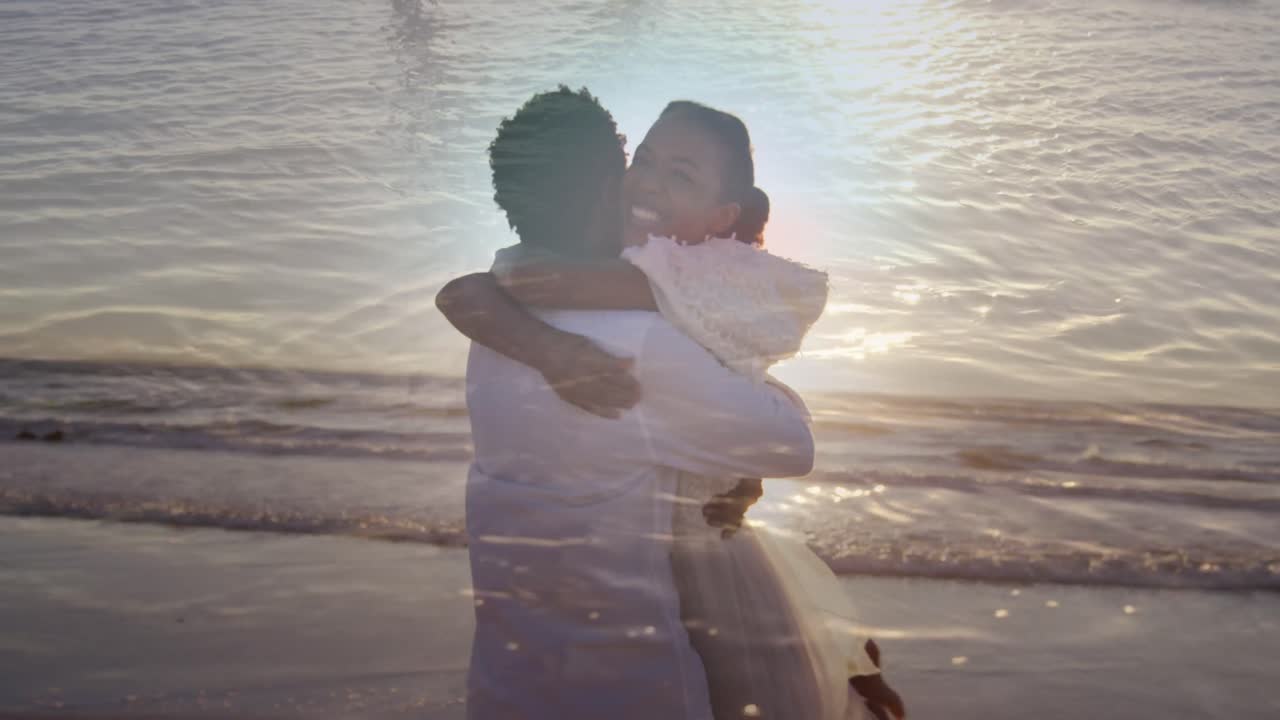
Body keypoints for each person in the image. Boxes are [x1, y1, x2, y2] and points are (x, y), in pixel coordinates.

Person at [441, 97, 906, 720]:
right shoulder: (632, 335)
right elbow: (790, 442)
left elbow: (469, 292)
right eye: (643, 161)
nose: (649, 180)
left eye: (675, 172)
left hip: (512, 668)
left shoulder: (500, 322)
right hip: (645, 647)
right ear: (613, 181)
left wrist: (543, 335)